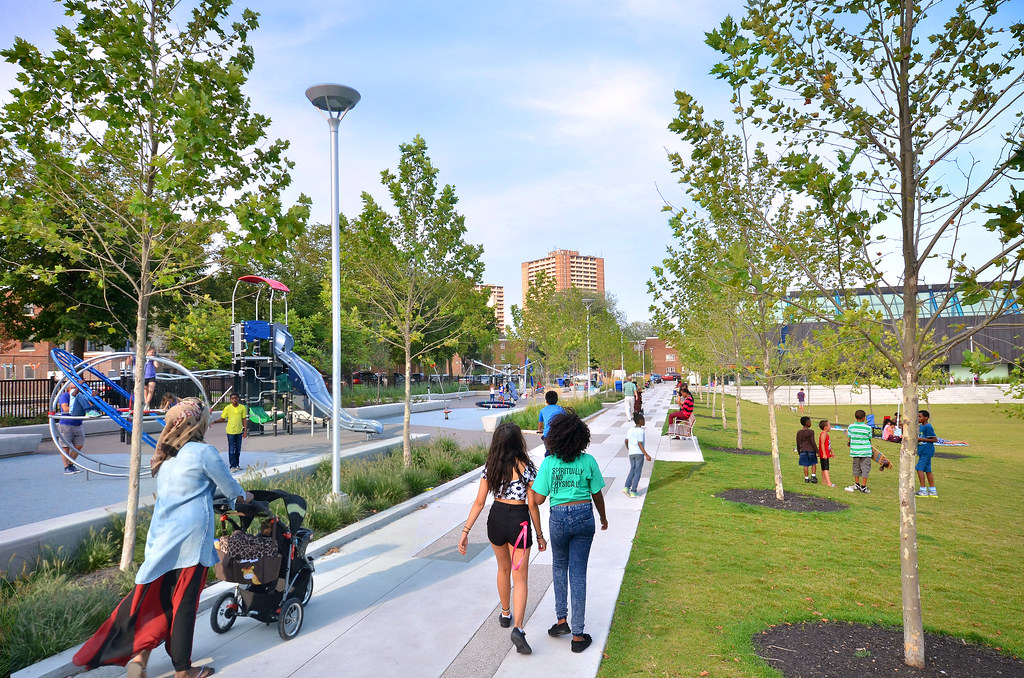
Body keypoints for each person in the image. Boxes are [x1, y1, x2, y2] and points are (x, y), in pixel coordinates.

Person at [74, 397, 251, 678]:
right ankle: (183, 670)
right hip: (191, 541)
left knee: (159, 601)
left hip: (162, 538)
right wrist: (243, 496)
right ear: (198, 421)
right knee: (183, 606)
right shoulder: (203, 452)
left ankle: (139, 659)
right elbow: (230, 487)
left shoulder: (166, 454)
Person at [458, 423, 546, 655]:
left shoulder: (491, 467)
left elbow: (479, 502)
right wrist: (539, 535)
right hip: (519, 522)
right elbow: (533, 504)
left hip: (495, 519)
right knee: (521, 578)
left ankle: (505, 614)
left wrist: (466, 531)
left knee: (503, 569)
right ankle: (518, 628)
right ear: (519, 441)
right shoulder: (527, 468)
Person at [532, 409, 608, 654]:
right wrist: (603, 517)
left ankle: (561, 621)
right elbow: (597, 493)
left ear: (555, 437)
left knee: (559, 567)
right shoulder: (588, 461)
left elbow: (540, 499)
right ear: (580, 437)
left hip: (559, 519)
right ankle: (578, 635)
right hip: (585, 516)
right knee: (578, 574)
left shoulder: (550, 463)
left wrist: (530, 489)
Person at [214, 393, 247, 472]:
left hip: (239, 431)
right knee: (231, 448)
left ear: (238, 399)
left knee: (238, 449)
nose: (234, 400)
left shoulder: (242, 407)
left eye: (236, 398)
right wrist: (215, 421)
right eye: (233, 398)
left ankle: (237, 464)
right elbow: (223, 418)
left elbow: (244, 419)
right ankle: (232, 465)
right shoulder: (228, 408)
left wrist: (245, 430)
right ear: (230, 400)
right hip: (230, 431)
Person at [57, 383, 85, 475]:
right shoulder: (65, 396)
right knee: (65, 446)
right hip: (66, 424)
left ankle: (70, 464)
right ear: (68, 389)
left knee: (79, 445)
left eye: (76, 388)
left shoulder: (80, 396)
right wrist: (77, 410)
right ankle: (66, 467)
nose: (74, 389)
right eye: (72, 388)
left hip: (77, 424)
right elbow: (65, 408)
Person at [844, 409, 874, 493]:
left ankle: (857, 484)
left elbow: (849, 437)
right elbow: (869, 439)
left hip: (855, 451)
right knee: (865, 468)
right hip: (866, 452)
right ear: (864, 418)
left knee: (856, 468)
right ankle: (863, 486)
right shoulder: (868, 428)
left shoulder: (851, 427)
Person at [622, 413, 651, 497]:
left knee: (632, 469)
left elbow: (626, 440)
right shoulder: (641, 431)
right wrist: (646, 455)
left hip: (631, 453)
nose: (645, 421)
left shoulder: (631, 429)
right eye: (644, 420)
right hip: (639, 454)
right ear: (641, 421)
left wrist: (628, 447)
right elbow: (639, 444)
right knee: (637, 472)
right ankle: (633, 491)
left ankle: (626, 487)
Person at [916, 410, 939, 497]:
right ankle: (933, 491)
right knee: (928, 470)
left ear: (926, 418)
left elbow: (934, 439)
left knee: (919, 468)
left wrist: (921, 439)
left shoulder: (928, 427)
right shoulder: (920, 426)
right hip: (922, 451)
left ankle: (923, 490)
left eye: (920, 417)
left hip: (927, 451)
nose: (918, 418)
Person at [537, 390, 565, 456]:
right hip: (559, 434)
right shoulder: (561, 409)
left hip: (548, 436)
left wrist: (540, 430)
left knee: (548, 452)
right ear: (557, 400)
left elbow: (540, 425)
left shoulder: (542, 410)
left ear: (546, 400)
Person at [797, 416, 818, 483]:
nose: (810, 423)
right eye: (810, 422)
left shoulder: (799, 432)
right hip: (811, 449)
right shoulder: (811, 432)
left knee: (805, 465)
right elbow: (813, 442)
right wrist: (817, 451)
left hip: (803, 450)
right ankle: (813, 476)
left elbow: (798, 442)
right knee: (813, 463)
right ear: (807, 423)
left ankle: (806, 478)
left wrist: (799, 450)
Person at [817, 420, 836, 487]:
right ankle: (829, 482)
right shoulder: (823, 434)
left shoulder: (826, 435)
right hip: (824, 454)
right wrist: (824, 453)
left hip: (826, 453)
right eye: (829, 425)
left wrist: (831, 452)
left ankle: (824, 481)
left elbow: (828, 445)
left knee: (823, 467)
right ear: (825, 427)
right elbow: (822, 444)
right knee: (826, 468)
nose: (830, 427)